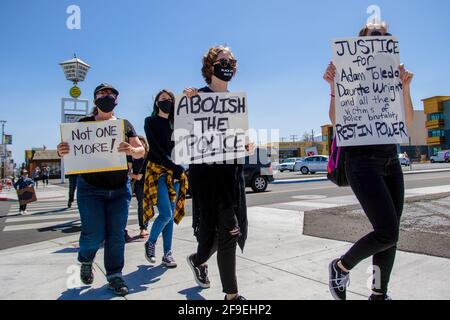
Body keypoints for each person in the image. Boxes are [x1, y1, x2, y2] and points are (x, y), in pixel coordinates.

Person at [324, 22, 414, 301]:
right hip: (360, 162)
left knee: (391, 233)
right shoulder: (346, 74)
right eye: (375, 35)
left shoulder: (391, 75)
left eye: (385, 36)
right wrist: (334, 86)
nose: (381, 38)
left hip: (390, 160)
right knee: (387, 231)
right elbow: (336, 121)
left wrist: (406, 88)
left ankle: (379, 293)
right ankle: (341, 266)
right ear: (362, 42)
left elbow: (408, 122)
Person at [57, 83, 145, 296]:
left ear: (117, 99)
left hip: (119, 188)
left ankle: (115, 275)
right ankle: (86, 259)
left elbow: (141, 150)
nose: (106, 96)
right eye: (102, 93)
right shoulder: (83, 124)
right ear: (95, 99)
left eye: (111, 94)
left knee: (116, 234)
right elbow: (68, 151)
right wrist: (62, 150)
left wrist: (133, 149)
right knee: (93, 233)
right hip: (90, 188)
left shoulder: (124, 125)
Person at [184, 46, 252, 301]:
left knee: (220, 233)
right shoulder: (196, 97)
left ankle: (198, 260)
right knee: (230, 230)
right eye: (222, 60)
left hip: (230, 176)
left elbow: (238, 137)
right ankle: (232, 296)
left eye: (231, 61)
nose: (228, 64)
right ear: (210, 66)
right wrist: (187, 103)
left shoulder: (235, 102)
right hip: (207, 177)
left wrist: (247, 143)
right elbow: (180, 134)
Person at [143, 90, 189, 269]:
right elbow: (154, 148)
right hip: (158, 171)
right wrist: (173, 166)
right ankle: (151, 242)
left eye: (170, 100)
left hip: (176, 173)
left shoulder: (177, 124)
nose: (167, 102)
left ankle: (167, 254)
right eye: (163, 99)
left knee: (169, 217)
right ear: (156, 103)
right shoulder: (150, 121)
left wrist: (181, 167)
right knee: (165, 214)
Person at [131, 136, 150, 239]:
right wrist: (134, 176)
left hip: (148, 183)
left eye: (142, 144)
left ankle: (144, 227)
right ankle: (143, 227)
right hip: (137, 183)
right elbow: (127, 171)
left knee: (145, 205)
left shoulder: (149, 156)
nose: (140, 145)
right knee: (141, 205)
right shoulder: (131, 157)